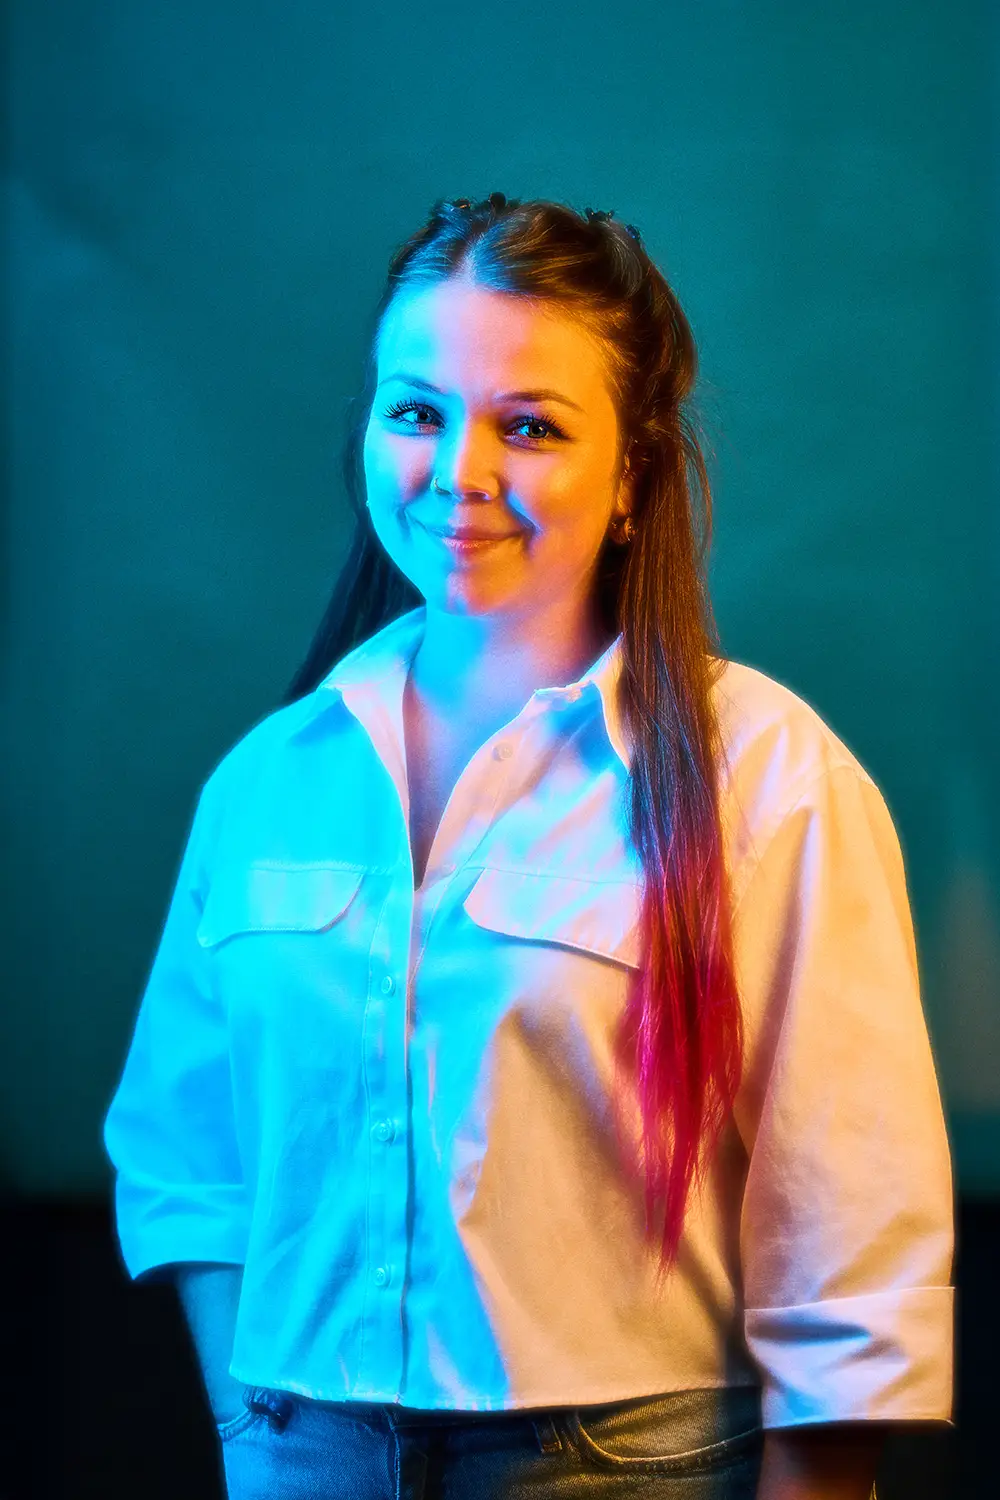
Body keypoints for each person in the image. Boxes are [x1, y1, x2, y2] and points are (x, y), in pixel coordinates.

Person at [102, 193, 954, 1500]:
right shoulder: (270, 781)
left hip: (630, 1467)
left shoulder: (769, 775)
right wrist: (249, 1423)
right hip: (300, 1455)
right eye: (416, 411)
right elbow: (182, 1153)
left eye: (533, 426)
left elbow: (854, 1225)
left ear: (635, 472)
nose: (460, 471)